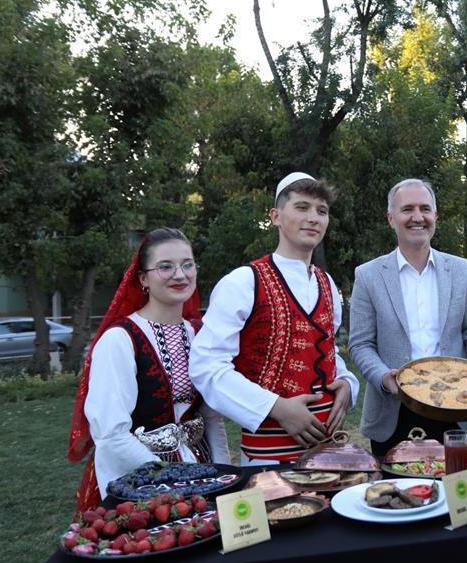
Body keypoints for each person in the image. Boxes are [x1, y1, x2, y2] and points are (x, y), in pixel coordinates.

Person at [190, 173, 359, 465]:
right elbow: (206, 365)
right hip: (268, 457)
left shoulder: (327, 284)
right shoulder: (244, 282)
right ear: (276, 216)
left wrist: (346, 382)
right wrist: (277, 408)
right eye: (302, 207)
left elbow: (324, 351)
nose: (313, 218)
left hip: (329, 452)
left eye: (322, 211)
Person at [68, 228, 230, 513]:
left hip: (202, 470)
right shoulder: (120, 340)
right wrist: (173, 480)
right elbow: (111, 433)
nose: (180, 275)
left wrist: (226, 474)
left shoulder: (200, 335)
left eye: (187, 264)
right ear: (143, 279)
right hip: (142, 480)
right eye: (165, 266)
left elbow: (211, 417)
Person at [349, 178, 467, 455]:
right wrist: (384, 377)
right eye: (407, 209)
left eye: (425, 209)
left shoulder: (460, 269)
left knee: (455, 489)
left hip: (454, 410)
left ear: (435, 215)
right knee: (393, 495)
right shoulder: (368, 275)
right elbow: (360, 344)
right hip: (392, 412)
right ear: (391, 217)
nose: (417, 217)